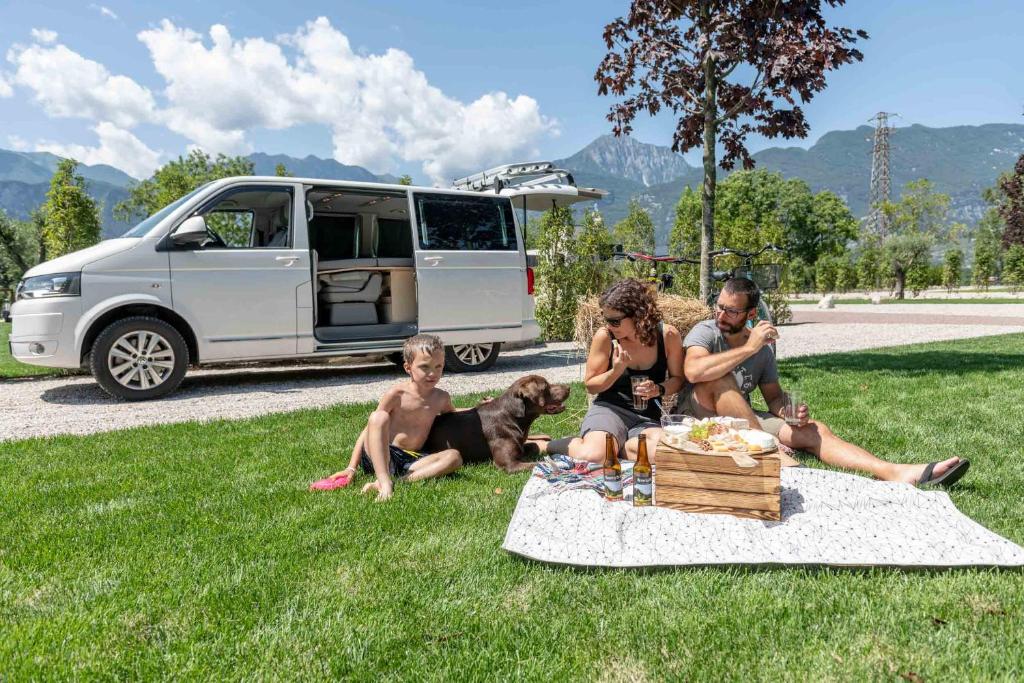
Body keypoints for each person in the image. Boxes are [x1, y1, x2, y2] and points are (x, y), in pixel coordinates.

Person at [681, 277, 970, 487]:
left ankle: (894, 471)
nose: (720, 314)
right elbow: (694, 372)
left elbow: (774, 398)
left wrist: (789, 412)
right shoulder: (706, 331)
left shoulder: (763, 350)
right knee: (718, 381)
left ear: (750, 314)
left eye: (731, 310)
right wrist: (748, 348)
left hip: (743, 417)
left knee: (814, 430)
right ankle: (780, 461)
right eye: (718, 306)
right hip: (699, 413)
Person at [546, 278, 686, 462]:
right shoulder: (605, 337)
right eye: (606, 319)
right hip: (610, 410)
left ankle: (620, 446)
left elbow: (678, 379)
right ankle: (546, 444)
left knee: (667, 454)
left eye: (615, 321)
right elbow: (590, 386)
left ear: (638, 314)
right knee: (595, 455)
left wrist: (658, 389)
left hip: (646, 417)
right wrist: (616, 370)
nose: (609, 326)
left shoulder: (668, 336)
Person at [310, 334, 462, 500]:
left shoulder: (441, 398)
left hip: (410, 458)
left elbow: (454, 414)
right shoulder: (397, 394)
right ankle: (384, 481)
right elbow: (371, 427)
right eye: (425, 367)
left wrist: (480, 407)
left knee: (453, 457)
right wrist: (351, 468)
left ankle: (401, 480)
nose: (432, 373)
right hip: (382, 453)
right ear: (408, 368)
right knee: (379, 417)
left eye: (438, 367)